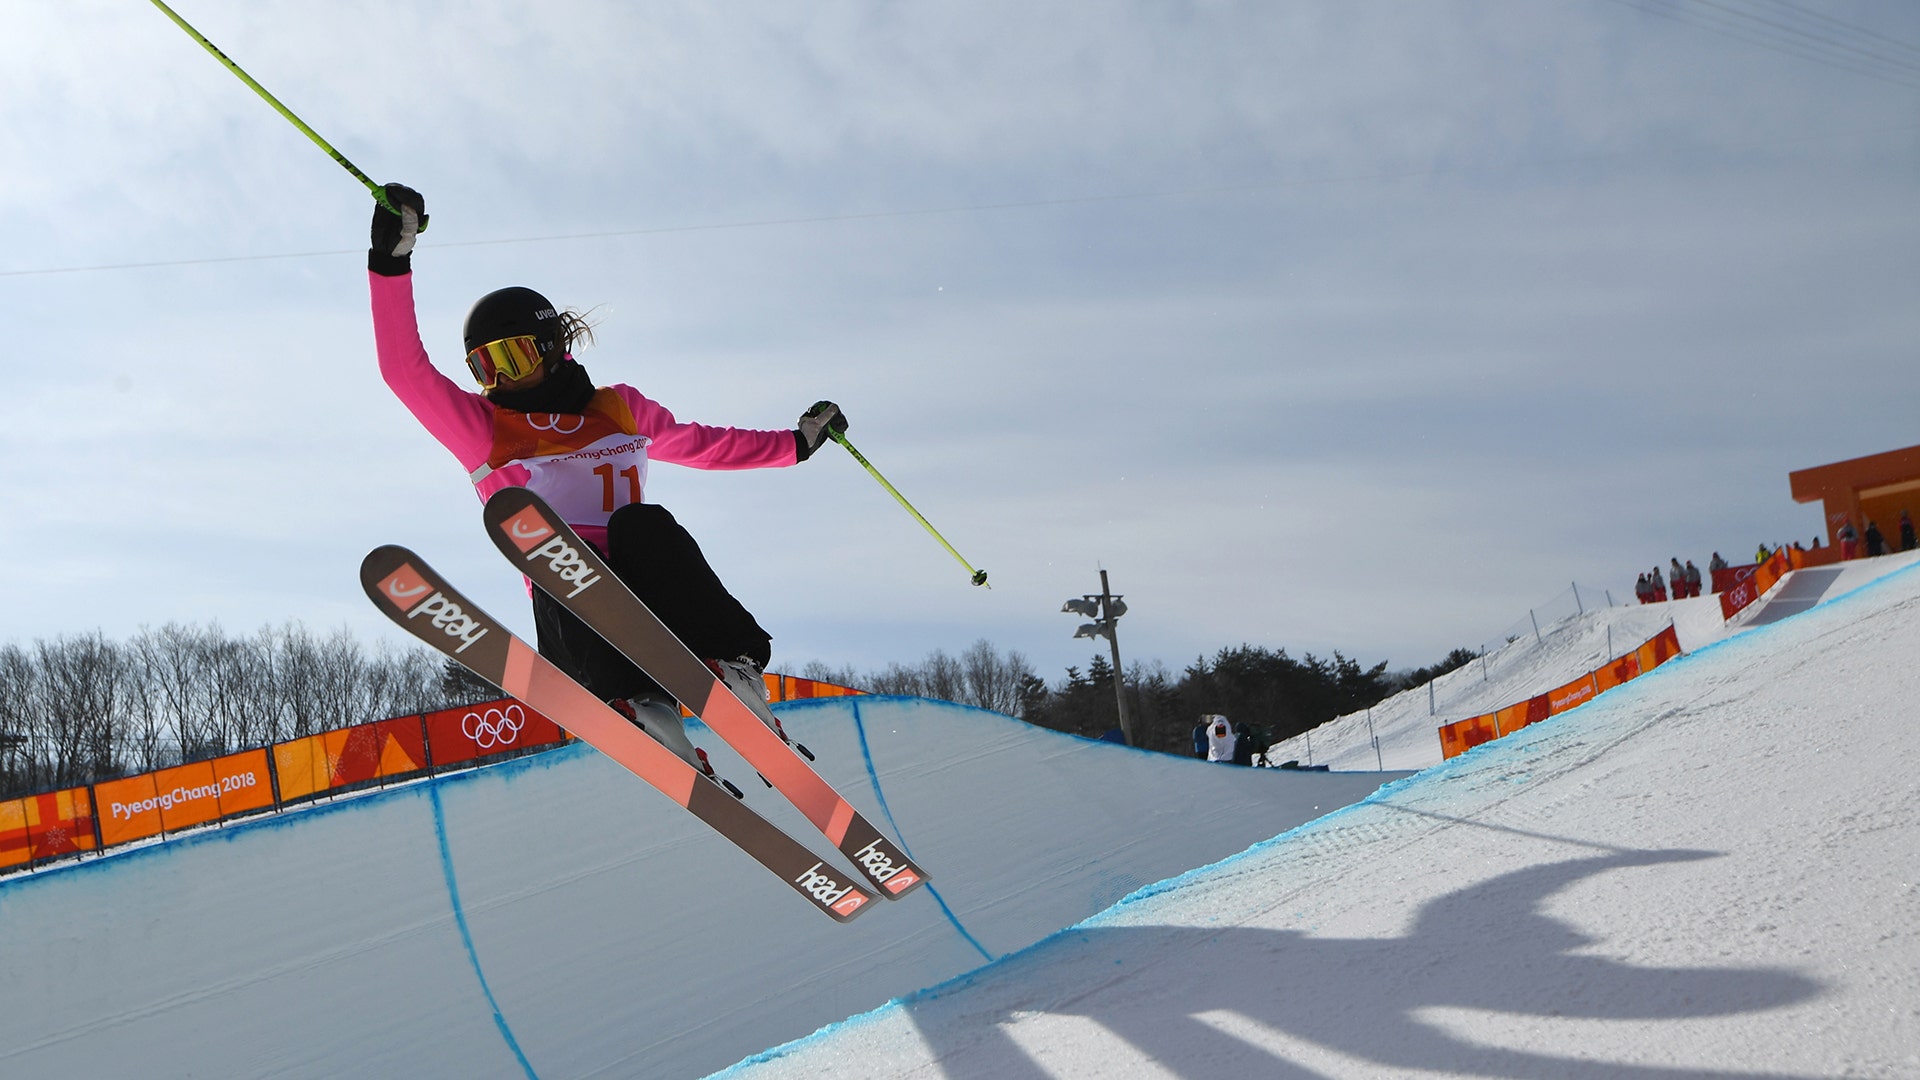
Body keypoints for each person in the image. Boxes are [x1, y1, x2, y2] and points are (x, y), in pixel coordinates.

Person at [367, 184, 844, 789]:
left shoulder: (620, 410)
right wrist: (391, 260)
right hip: (575, 614)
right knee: (563, 555)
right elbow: (402, 370)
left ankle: (733, 671)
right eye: (485, 368)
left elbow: (708, 445)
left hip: (655, 596)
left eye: (511, 359)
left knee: (641, 526)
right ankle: (641, 710)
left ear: (550, 349)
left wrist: (794, 445)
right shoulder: (482, 427)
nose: (500, 381)